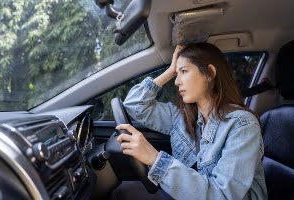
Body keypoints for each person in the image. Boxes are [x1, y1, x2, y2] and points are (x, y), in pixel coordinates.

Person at [112, 43, 267, 200]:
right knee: (122, 189)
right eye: (176, 74)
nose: (176, 81)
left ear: (209, 73)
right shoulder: (181, 117)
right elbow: (134, 105)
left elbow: (222, 196)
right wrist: (171, 70)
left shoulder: (242, 125)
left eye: (184, 71)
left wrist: (154, 158)